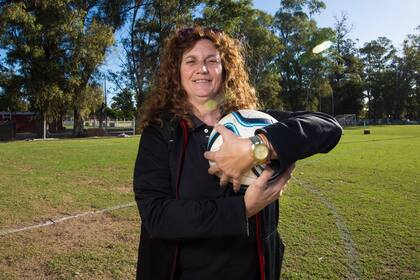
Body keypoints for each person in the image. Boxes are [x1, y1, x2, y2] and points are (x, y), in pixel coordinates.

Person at [133, 27, 342, 280]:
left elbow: (328, 127)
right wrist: (243, 208)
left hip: (254, 271)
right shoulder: (160, 134)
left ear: (226, 69)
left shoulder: (255, 121)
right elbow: (157, 216)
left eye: (212, 60)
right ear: (177, 72)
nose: (203, 69)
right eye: (191, 61)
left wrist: (257, 146)